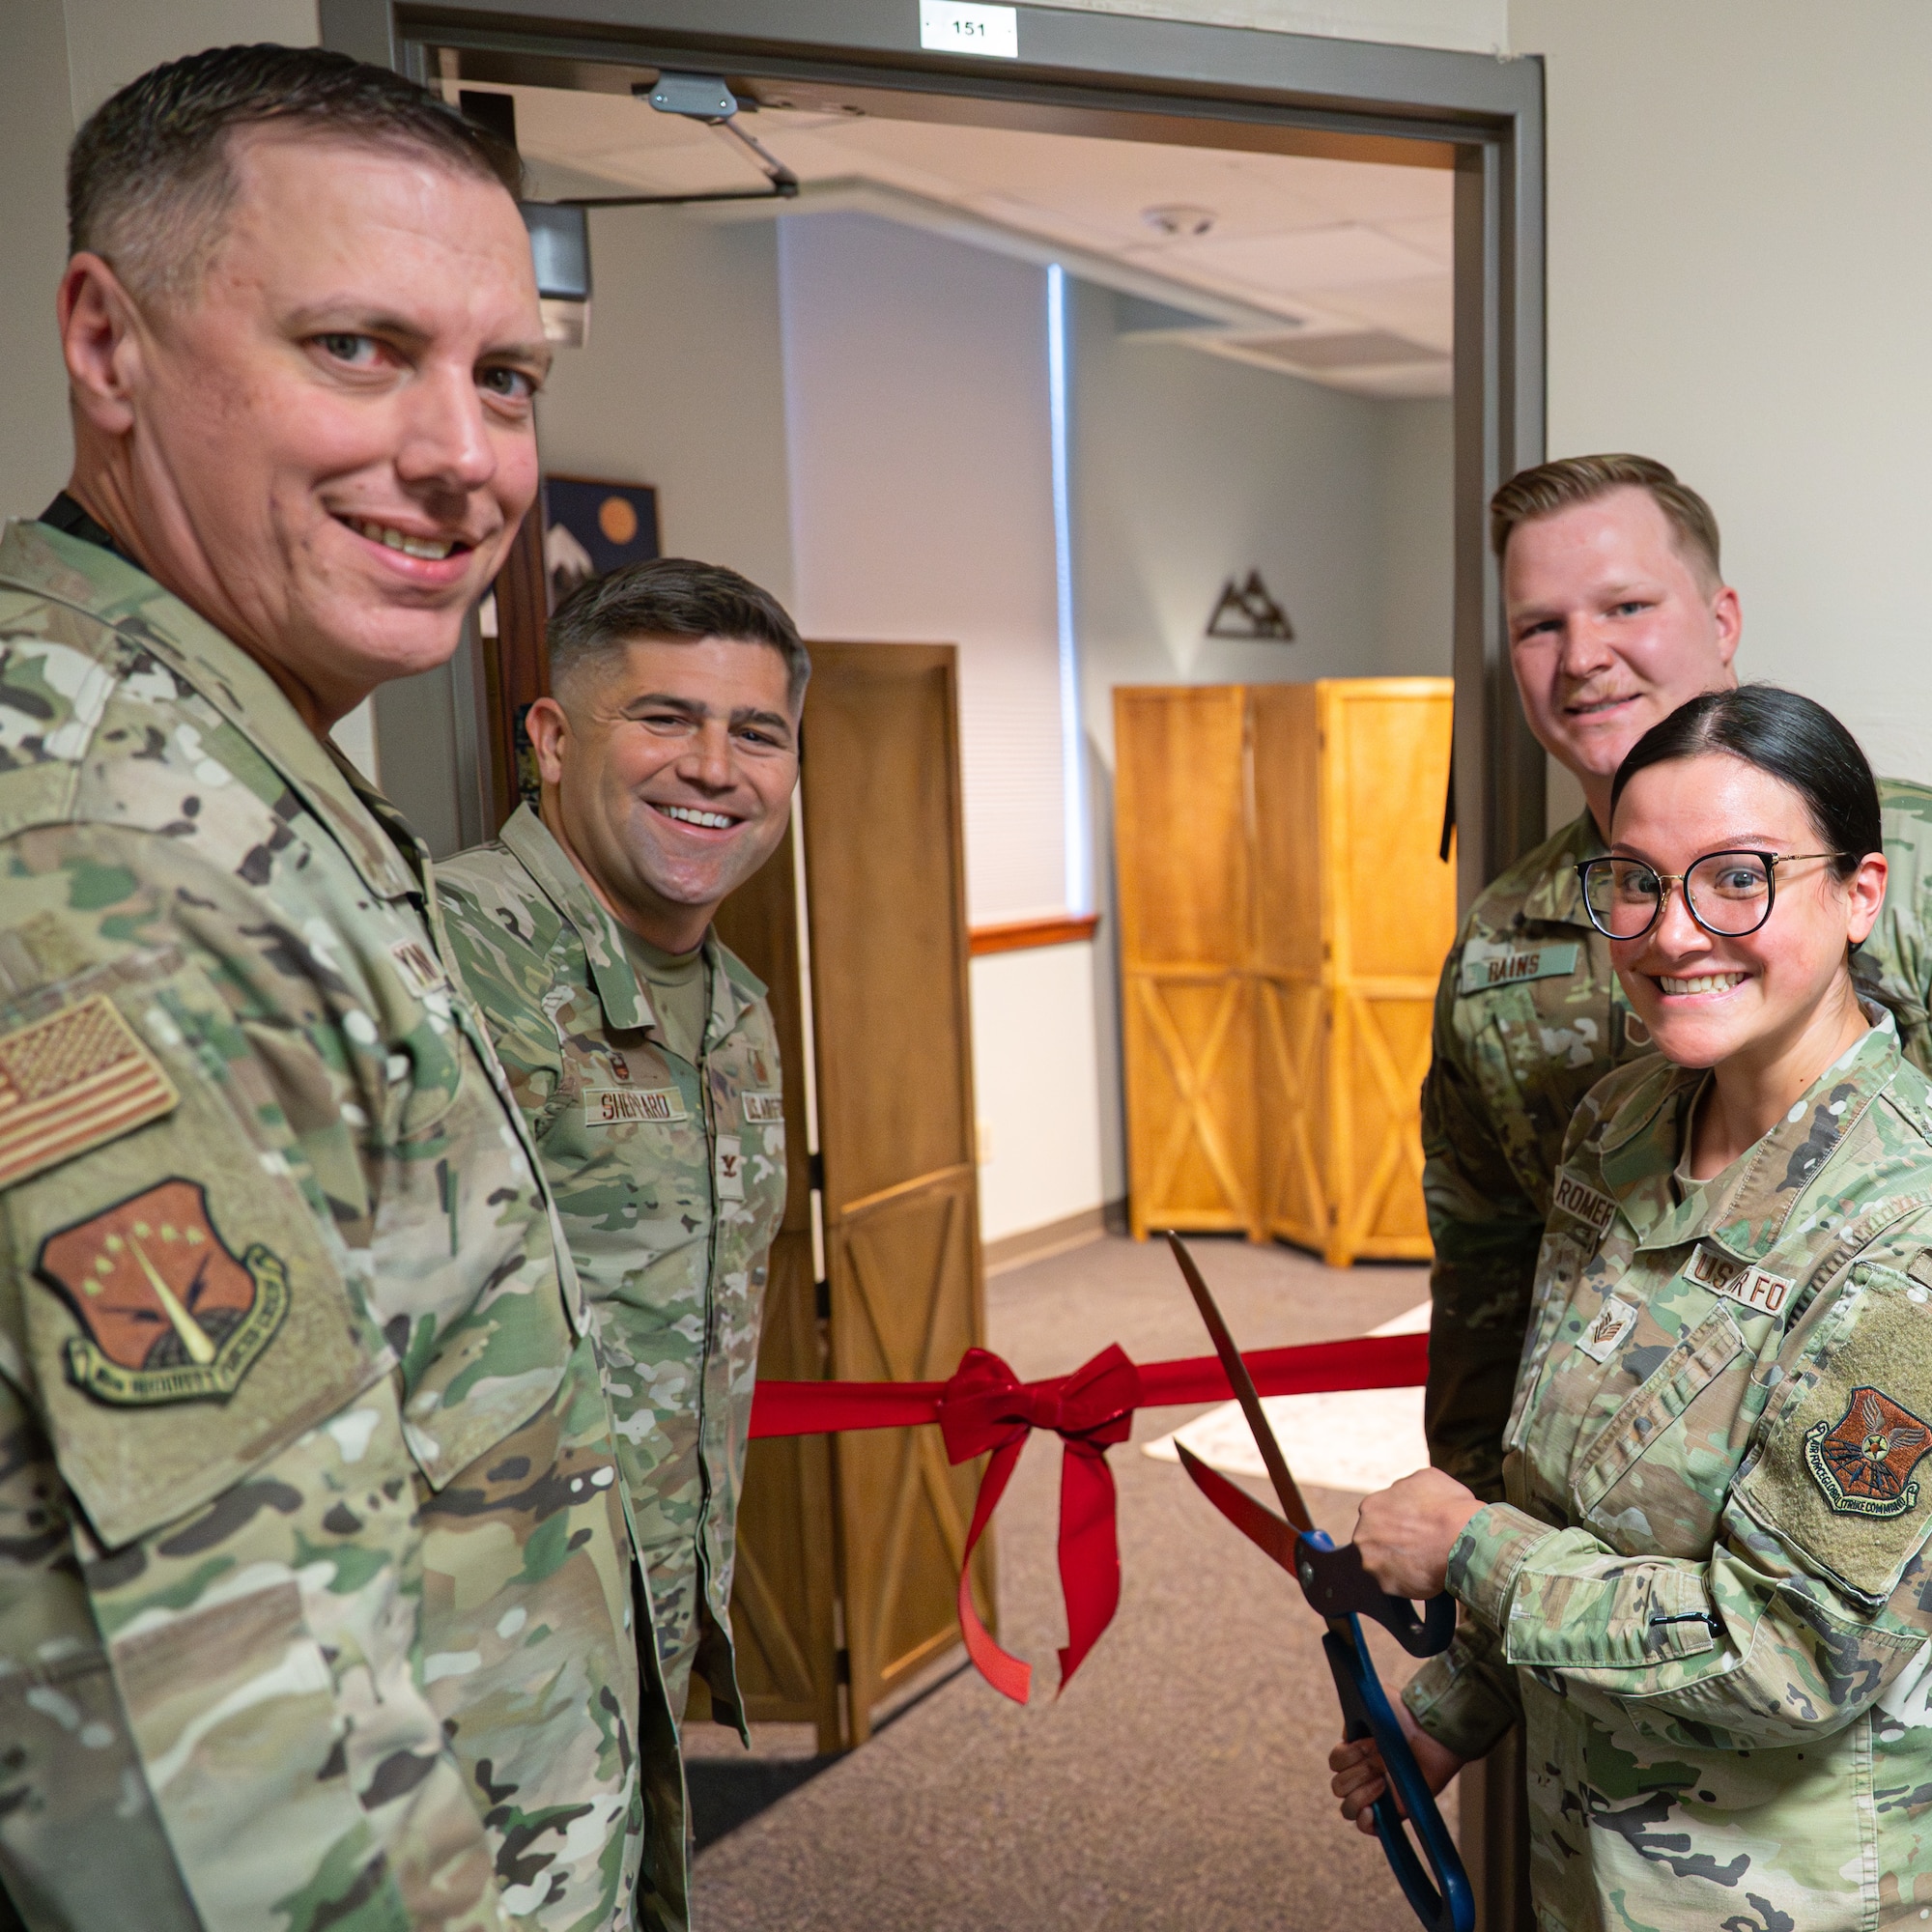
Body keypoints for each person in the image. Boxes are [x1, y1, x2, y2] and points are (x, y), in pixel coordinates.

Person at [0, 45, 680, 1931]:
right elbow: (230, 1748)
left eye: (504, 376)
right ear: (108, 345)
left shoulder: (228, 758)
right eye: (355, 349)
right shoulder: (113, 861)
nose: (464, 454)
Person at [1338, 685, 1932, 1926]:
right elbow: (1560, 1481)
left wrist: (1467, 1551)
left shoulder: (1901, 1234)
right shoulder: (1620, 1118)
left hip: (1781, 1884)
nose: (1672, 934)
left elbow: (1785, 1652)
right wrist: (1457, 1707)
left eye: (1736, 878)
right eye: (1635, 882)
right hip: (1582, 1855)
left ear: (1859, 893)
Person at [1423, 455, 1932, 1506]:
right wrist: (1474, 1541)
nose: (1582, 657)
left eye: (1624, 605)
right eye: (1537, 626)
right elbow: (1485, 1273)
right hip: (1594, 1541)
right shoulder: (1496, 948)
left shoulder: (1905, 862)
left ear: (1720, 617)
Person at [438, 562, 800, 1743]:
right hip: (451, 1677)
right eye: (664, 717)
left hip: (637, 1634)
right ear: (550, 738)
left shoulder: (734, 1010)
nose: (713, 766)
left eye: (756, 731)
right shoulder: (447, 963)